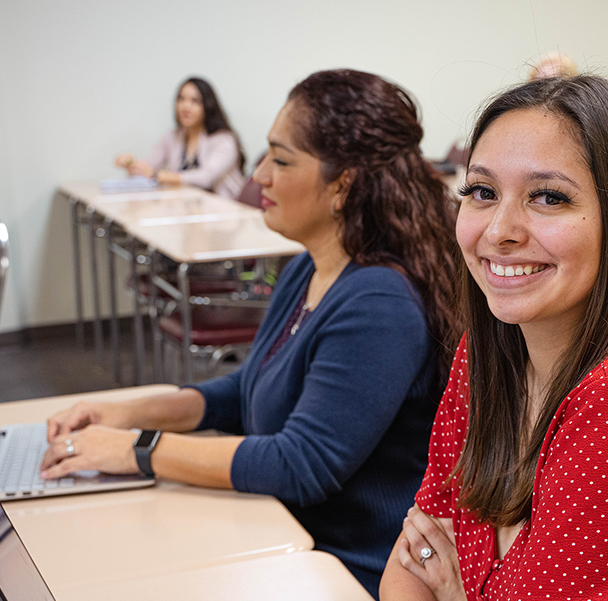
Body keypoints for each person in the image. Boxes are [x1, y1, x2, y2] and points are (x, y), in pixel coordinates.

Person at [43, 69, 460, 596]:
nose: (258, 175)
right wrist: (125, 413)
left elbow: (300, 463)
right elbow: (244, 392)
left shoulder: (380, 302)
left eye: (281, 160)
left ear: (343, 184)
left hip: (341, 568)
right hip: (278, 528)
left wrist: (137, 449)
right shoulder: (308, 270)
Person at [381, 76, 608, 601]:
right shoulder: (491, 349)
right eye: (482, 192)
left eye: (549, 197)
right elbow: (411, 561)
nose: (499, 230)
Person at [114, 77, 247, 199]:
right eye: (181, 99)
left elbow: (206, 177)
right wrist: (131, 164)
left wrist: (157, 175)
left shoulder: (224, 140)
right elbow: (148, 167)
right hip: (185, 209)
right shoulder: (172, 137)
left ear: (208, 106)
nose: (185, 106)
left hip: (224, 210)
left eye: (195, 101)